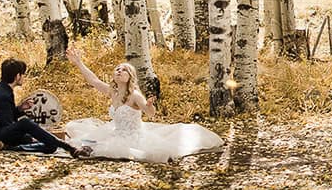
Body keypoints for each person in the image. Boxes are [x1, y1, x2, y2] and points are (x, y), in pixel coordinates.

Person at [64, 45, 225, 163]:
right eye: (117, 69)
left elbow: (151, 114)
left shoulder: (135, 95)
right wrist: (78, 62)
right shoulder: (112, 92)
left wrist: (148, 105)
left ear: (130, 76)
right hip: (114, 131)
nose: (119, 71)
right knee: (82, 139)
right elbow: (93, 80)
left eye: (124, 70)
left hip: (133, 136)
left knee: (119, 151)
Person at [0, 57, 92, 158]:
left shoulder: (5, 90)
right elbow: (9, 124)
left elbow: (6, 117)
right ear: (17, 76)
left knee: (51, 146)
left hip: (0, 133)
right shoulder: (1, 95)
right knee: (26, 123)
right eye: (23, 75)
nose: (23, 78)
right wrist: (30, 136)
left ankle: (10, 148)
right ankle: (69, 147)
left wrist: (20, 109)